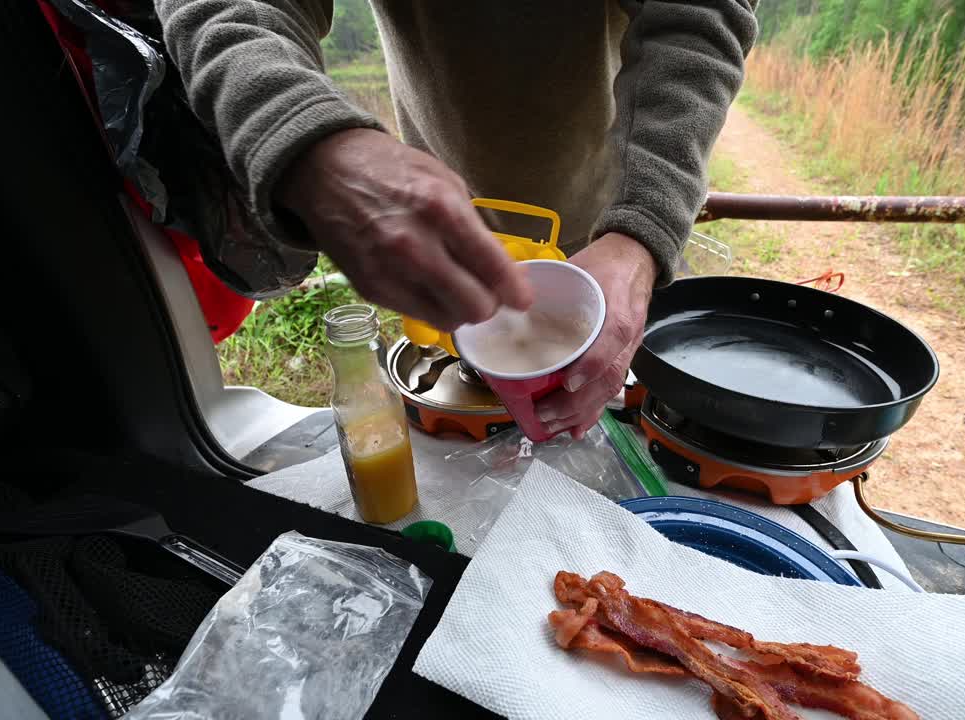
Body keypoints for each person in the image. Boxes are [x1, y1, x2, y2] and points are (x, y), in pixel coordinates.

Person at [154, 1, 758, 437]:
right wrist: (311, 145)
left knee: (619, 428)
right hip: (435, 241)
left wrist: (641, 231)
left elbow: (700, 17)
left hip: (608, 230)